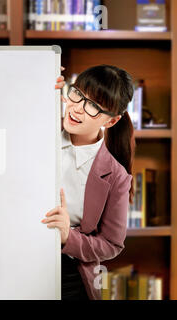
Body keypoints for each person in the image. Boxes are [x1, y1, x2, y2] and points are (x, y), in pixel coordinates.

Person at [42, 65, 135, 300]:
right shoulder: (38, 130)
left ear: (111, 121)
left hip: (70, 275)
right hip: (13, 258)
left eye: (93, 106)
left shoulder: (116, 176)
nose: (78, 109)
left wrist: (67, 236)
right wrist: (37, 76)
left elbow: (111, 244)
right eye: (78, 94)